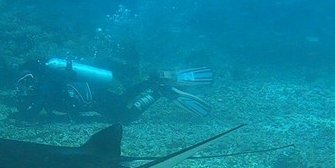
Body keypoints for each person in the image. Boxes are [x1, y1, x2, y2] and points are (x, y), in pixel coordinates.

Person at [14, 57, 213, 123]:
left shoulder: (44, 87)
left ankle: (158, 92)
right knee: (122, 99)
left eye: (26, 80)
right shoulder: (48, 81)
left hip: (93, 100)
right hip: (92, 93)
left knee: (125, 117)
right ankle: (153, 81)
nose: (25, 86)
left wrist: (20, 114)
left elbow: (34, 110)